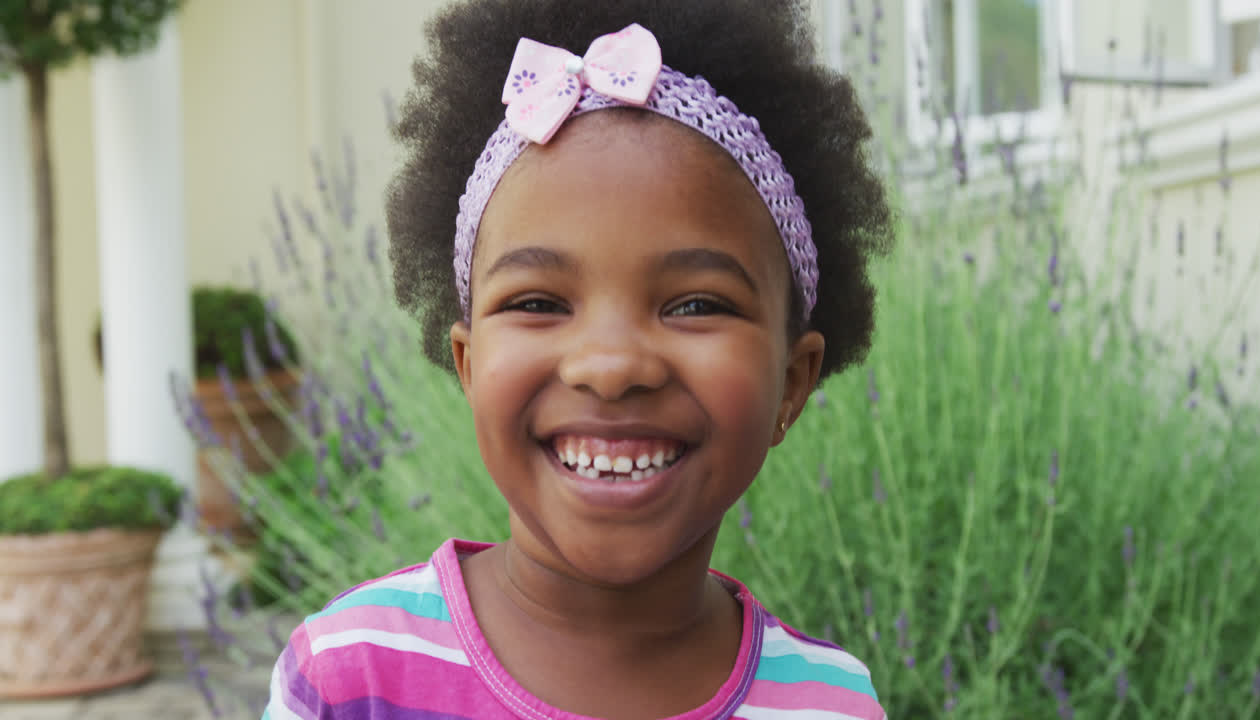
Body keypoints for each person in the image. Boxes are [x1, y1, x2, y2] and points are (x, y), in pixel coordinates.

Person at [263, 0, 894, 718]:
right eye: (538, 302)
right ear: (468, 366)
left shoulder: (830, 704)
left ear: (792, 381)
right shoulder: (350, 677)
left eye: (695, 305)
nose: (611, 365)